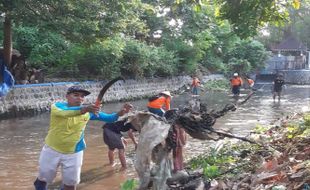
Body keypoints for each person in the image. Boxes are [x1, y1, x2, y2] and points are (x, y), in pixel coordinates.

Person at [33, 85, 133, 190]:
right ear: (67, 96)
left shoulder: (88, 112)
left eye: (82, 96)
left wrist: (120, 113)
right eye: (76, 95)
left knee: (71, 184)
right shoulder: (57, 107)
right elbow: (66, 113)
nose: (79, 98)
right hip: (52, 149)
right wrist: (85, 109)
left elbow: (110, 118)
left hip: (74, 151)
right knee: (43, 179)